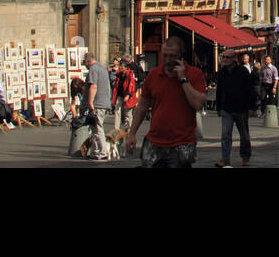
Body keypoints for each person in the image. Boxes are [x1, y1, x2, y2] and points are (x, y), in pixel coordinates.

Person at [126, 36, 207, 168]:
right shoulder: (153, 74)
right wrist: (132, 134)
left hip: (181, 143)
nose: (168, 60)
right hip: (154, 141)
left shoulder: (195, 74)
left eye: (172, 56)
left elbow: (198, 104)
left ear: (181, 56)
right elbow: (142, 106)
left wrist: (183, 79)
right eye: (164, 56)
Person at [214, 49, 256, 167]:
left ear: (234, 59)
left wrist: (252, 107)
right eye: (223, 57)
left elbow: (250, 89)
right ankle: (225, 160)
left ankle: (245, 157)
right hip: (226, 108)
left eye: (227, 57)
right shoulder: (222, 72)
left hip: (241, 108)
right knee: (225, 135)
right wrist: (218, 107)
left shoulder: (242, 71)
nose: (224, 59)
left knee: (244, 135)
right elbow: (219, 90)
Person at [83, 52, 114, 160]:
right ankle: (96, 151)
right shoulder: (102, 68)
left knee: (97, 128)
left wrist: (90, 102)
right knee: (95, 128)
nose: (84, 65)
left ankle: (102, 151)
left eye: (84, 62)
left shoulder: (93, 69)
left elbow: (93, 86)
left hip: (98, 103)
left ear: (87, 61)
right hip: (105, 103)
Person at [113, 55, 139, 128]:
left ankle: (131, 128)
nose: (120, 68)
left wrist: (128, 95)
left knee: (128, 113)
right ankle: (116, 129)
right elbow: (116, 85)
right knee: (117, 110)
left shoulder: (130, 74)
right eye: (120, 66)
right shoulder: (119, 74)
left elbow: (131, 85)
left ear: (126, 67)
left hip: (128, 95)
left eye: (122, 67)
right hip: (120, 94)